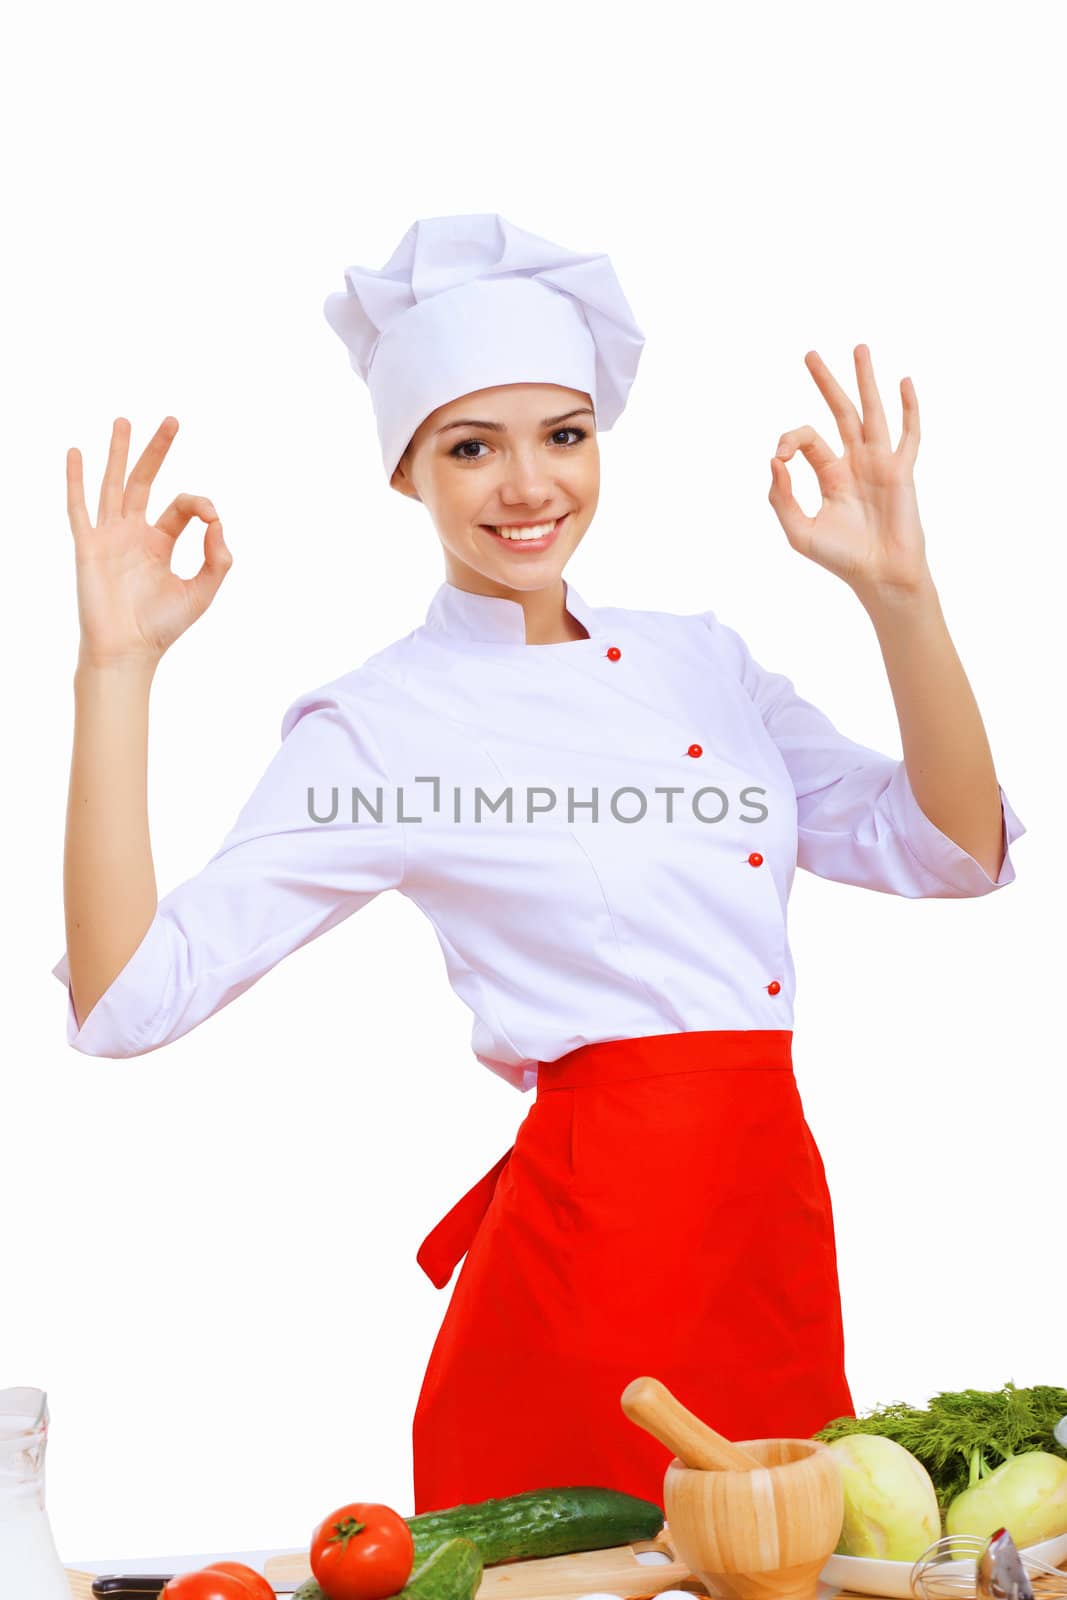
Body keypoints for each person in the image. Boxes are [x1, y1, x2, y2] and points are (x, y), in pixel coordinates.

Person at [54, 213, 1026, 1514]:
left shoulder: (702, 662)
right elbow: (128, 1002)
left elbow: (955, 850)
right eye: (472, 447)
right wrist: (116, 671)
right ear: (406, 474)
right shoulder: (386, 723)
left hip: (771, 1236)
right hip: (588, 1284)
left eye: (564, 436)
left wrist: (901, 595)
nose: (529, 486)